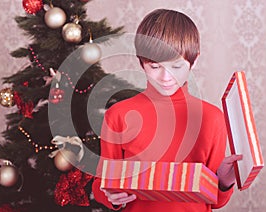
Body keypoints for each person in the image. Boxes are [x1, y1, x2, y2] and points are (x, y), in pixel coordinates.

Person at [92, 9, 242, 212]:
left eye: (177, 67)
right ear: (141, 63)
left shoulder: (212, 118)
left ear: (194, 61)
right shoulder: (118, 115)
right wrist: (111, 195)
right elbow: (102, 183)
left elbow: (215, 201)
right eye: (155, 67)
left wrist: (224, 182)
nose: (165, 77)